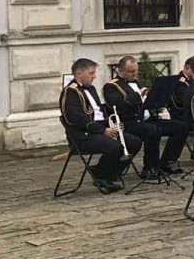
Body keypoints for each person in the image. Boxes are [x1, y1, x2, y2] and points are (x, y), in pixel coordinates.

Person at [60, 58, 141, 192]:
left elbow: (99, 112)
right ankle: (102, 177)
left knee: (134, 142)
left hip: (98, 130)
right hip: (83, 136)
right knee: (115, 146)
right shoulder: (70, 92)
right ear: (79, 73)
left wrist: (112, 124)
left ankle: (109, 173)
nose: (95, 76)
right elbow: (78, 120)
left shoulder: (91, 89)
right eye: (91, 73)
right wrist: (103, 130)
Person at [103, 55, 187, 179]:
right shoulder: (111, 86)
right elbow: (119, 105)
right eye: (131, 71)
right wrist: (138, 94)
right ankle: (149, 168)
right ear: (120, 71)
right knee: (153, 131)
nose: (135, 73)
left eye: (136, 70)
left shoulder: (137, 82)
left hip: (147, 119)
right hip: (129, 123)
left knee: (181, 127)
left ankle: (166, 162)